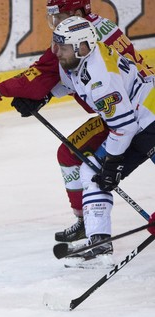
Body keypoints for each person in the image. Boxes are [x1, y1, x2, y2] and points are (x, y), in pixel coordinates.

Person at [0, 0, 155, 245]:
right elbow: (68, 78)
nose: (55, 24)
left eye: (58, 15)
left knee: (84, 159)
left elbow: (39, 76)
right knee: (73, 156)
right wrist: (45, 96)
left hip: (137, 114)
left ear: (75, 13)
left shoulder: (83, 44)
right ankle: (92, 227)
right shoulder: (94, 28)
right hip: (124, 110)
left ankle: (91, 225)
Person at [48, 16, 155, 268]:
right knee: (92, 171)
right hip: (137, 123)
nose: (56, 52)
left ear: (82, 47)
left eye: (62, 48)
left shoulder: (101, 78)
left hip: (151, 120)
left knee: (102, 170)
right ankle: (99, 244)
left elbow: (123, 126)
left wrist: (114, 162)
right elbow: (71, 83)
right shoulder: (80, 59)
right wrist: (42, 98)